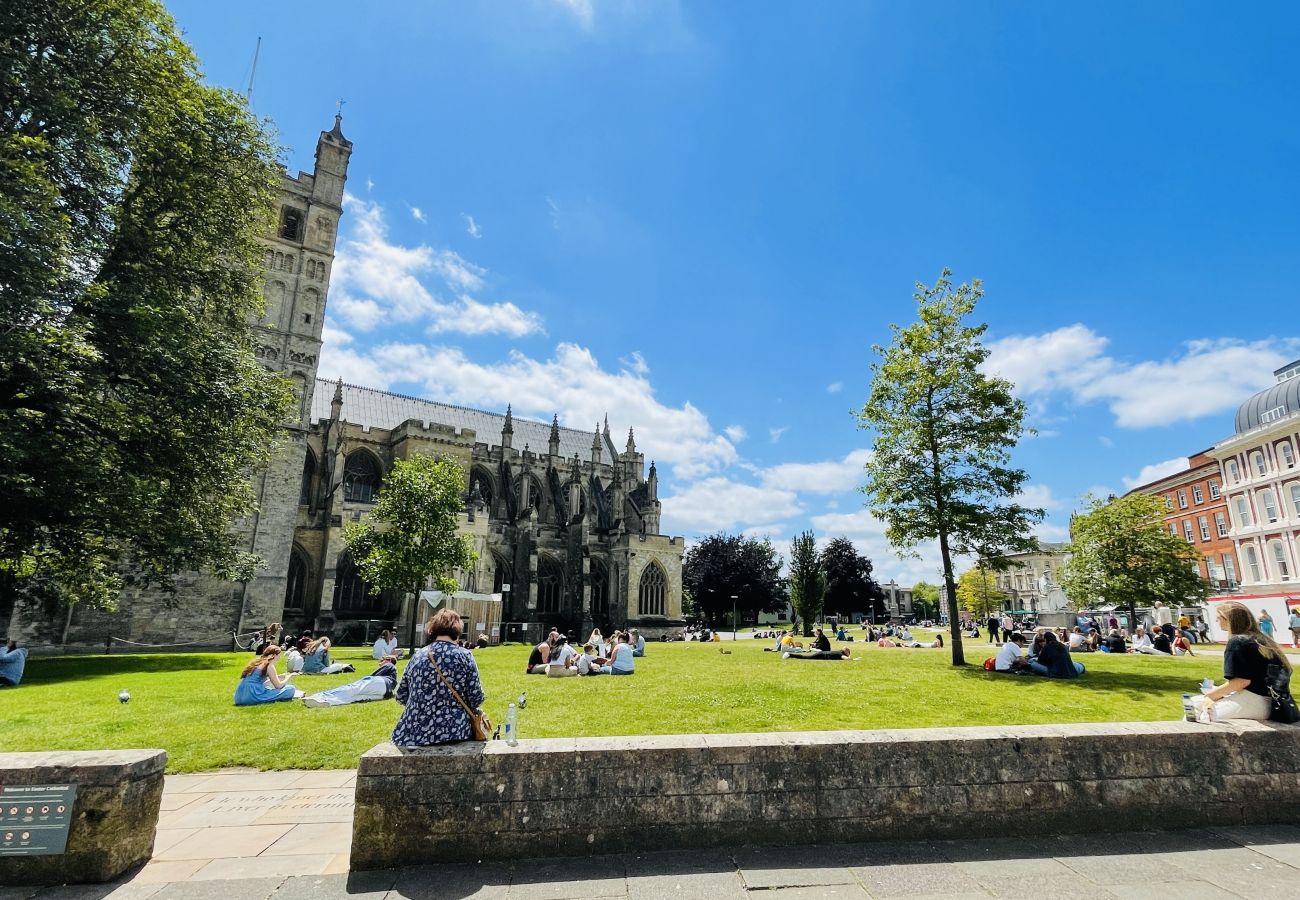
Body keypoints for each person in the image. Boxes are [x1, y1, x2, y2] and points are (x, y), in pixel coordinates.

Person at [392, 609, 487, 746]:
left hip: (412, 733)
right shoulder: (464, 656)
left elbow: (401, 696)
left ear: (432, 630)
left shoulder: (417, 656)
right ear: (458, 630)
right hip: (453, 732)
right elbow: (476, 697)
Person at [1193, 600, 1292, 723]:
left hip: (1254, 702)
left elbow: (1241, 682)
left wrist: (1211, 696)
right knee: (1198, 703)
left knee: (1195, 709)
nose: (1216, 621)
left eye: (1218, 618)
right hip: (1275, 703)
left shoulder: (1237, 642)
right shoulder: (1263, 641)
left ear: (1228, 619)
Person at [304, 656, 399, 707]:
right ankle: (329, 702)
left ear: (388, 660)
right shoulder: (393, 676)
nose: (380, 663)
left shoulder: (389, 665)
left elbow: (373, 676)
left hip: (379, 682)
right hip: (384, 692)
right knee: (355, 698)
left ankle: (321, 696)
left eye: (382, 661)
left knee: (351, 688)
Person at [234, 646, 300, 706]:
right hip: (253, 696)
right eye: (278, 656)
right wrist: (288, 677)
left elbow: (261, 683)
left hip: (239, 696)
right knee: (290, 688)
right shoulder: (269, 665)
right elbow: (278, 686)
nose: (279, 658)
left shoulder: (257, 662)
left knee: (268, 688)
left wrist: (279, 676)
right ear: (273, 655)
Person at [784, 647, 852, 660]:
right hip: (821, 654)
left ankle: (790, 655)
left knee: (806, 657)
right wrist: (852, 659)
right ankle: (789, 654)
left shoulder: (839, 651)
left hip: (821, 653)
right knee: (805, 657)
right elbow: (846, 658)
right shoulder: (840, 654)